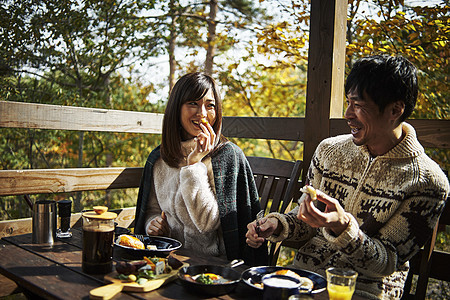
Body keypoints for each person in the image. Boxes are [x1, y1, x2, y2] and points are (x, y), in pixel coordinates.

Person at [245, 55, 449, 299]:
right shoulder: (329, 151)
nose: (348, 114)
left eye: (358, 105)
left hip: (364, 291)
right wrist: (278, 224)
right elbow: (304, 221)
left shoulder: (428, 182)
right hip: (303, 280)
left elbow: (386, 263)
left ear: (395, 109)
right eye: (348, 102)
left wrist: (343, 227)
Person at [134, 72, 268, 266]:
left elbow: (206, 224)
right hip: (167, 258)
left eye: (210, 105)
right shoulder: (159, 158)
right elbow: (152, 209)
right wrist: (152, 224)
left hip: (212, 265)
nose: (202, 114)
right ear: (176, 108)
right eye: (193, 104)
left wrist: (193, 165)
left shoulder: (227, 157)